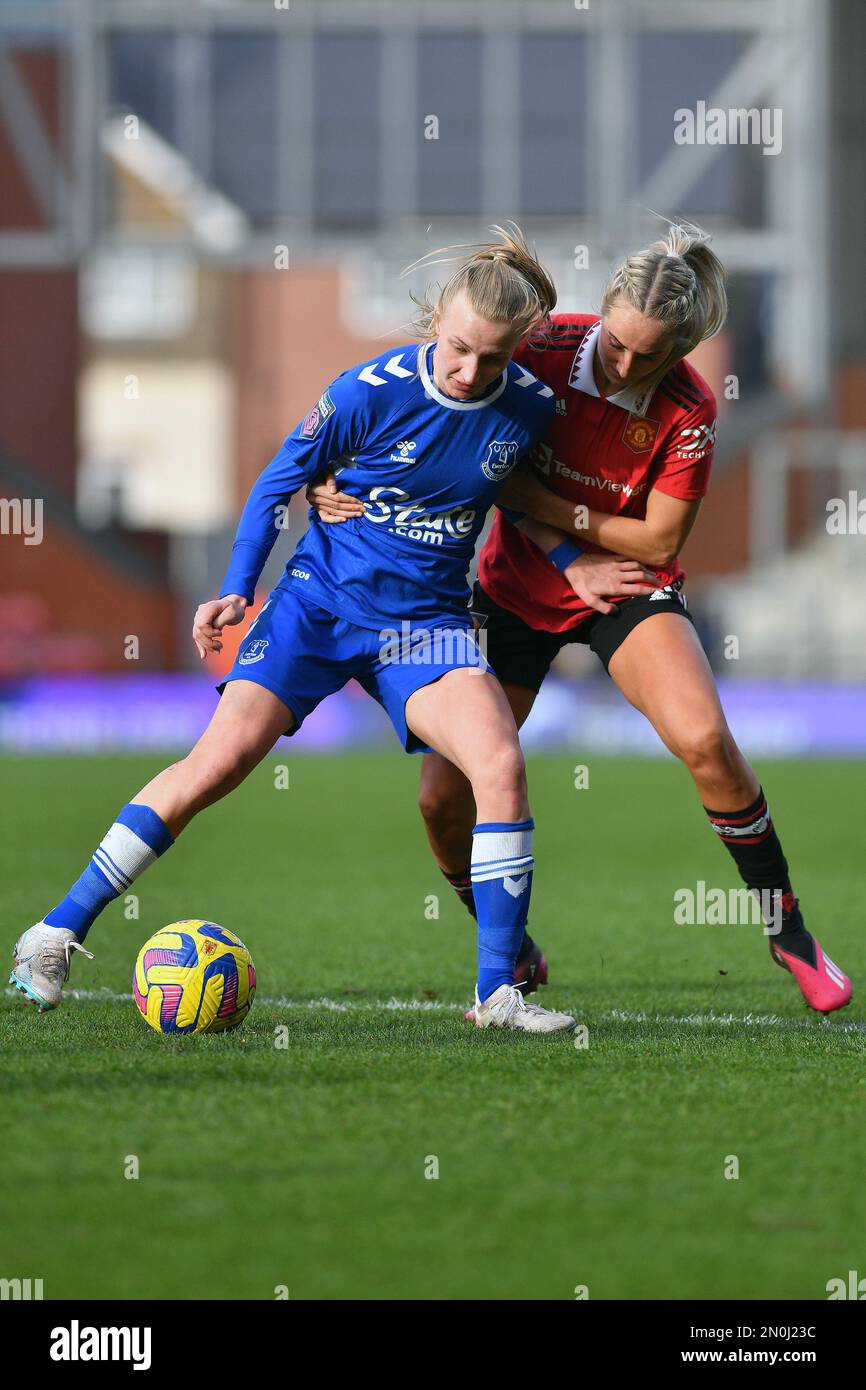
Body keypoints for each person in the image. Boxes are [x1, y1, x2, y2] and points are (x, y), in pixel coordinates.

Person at [10, 225, 577, 1034]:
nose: (470, 370)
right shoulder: (365, 391)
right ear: (433, 323)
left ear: (518, 349)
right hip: (318, 607)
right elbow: (280, 482)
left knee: (499, 763)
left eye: (492, 358)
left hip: (426, 626)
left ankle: (497, 995)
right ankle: (54, 933)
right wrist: (238, 590)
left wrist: (576, 555)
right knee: (219, 763)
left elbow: (516, 491)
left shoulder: (530, 407)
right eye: (457, 350)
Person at [309, 221, 852, 1017]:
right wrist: (331, 475)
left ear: (685, 345)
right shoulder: (535, 351)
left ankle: (787, 928)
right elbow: (465, 459)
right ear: (602, 310)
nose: (628, 363)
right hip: (512, 589)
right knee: (440, 799)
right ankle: (504, 938)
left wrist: (554, 511)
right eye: (619, 345)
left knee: (705, 739)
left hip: (628, 590)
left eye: (652, 354)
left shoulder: (690, 406)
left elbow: (660, 538)